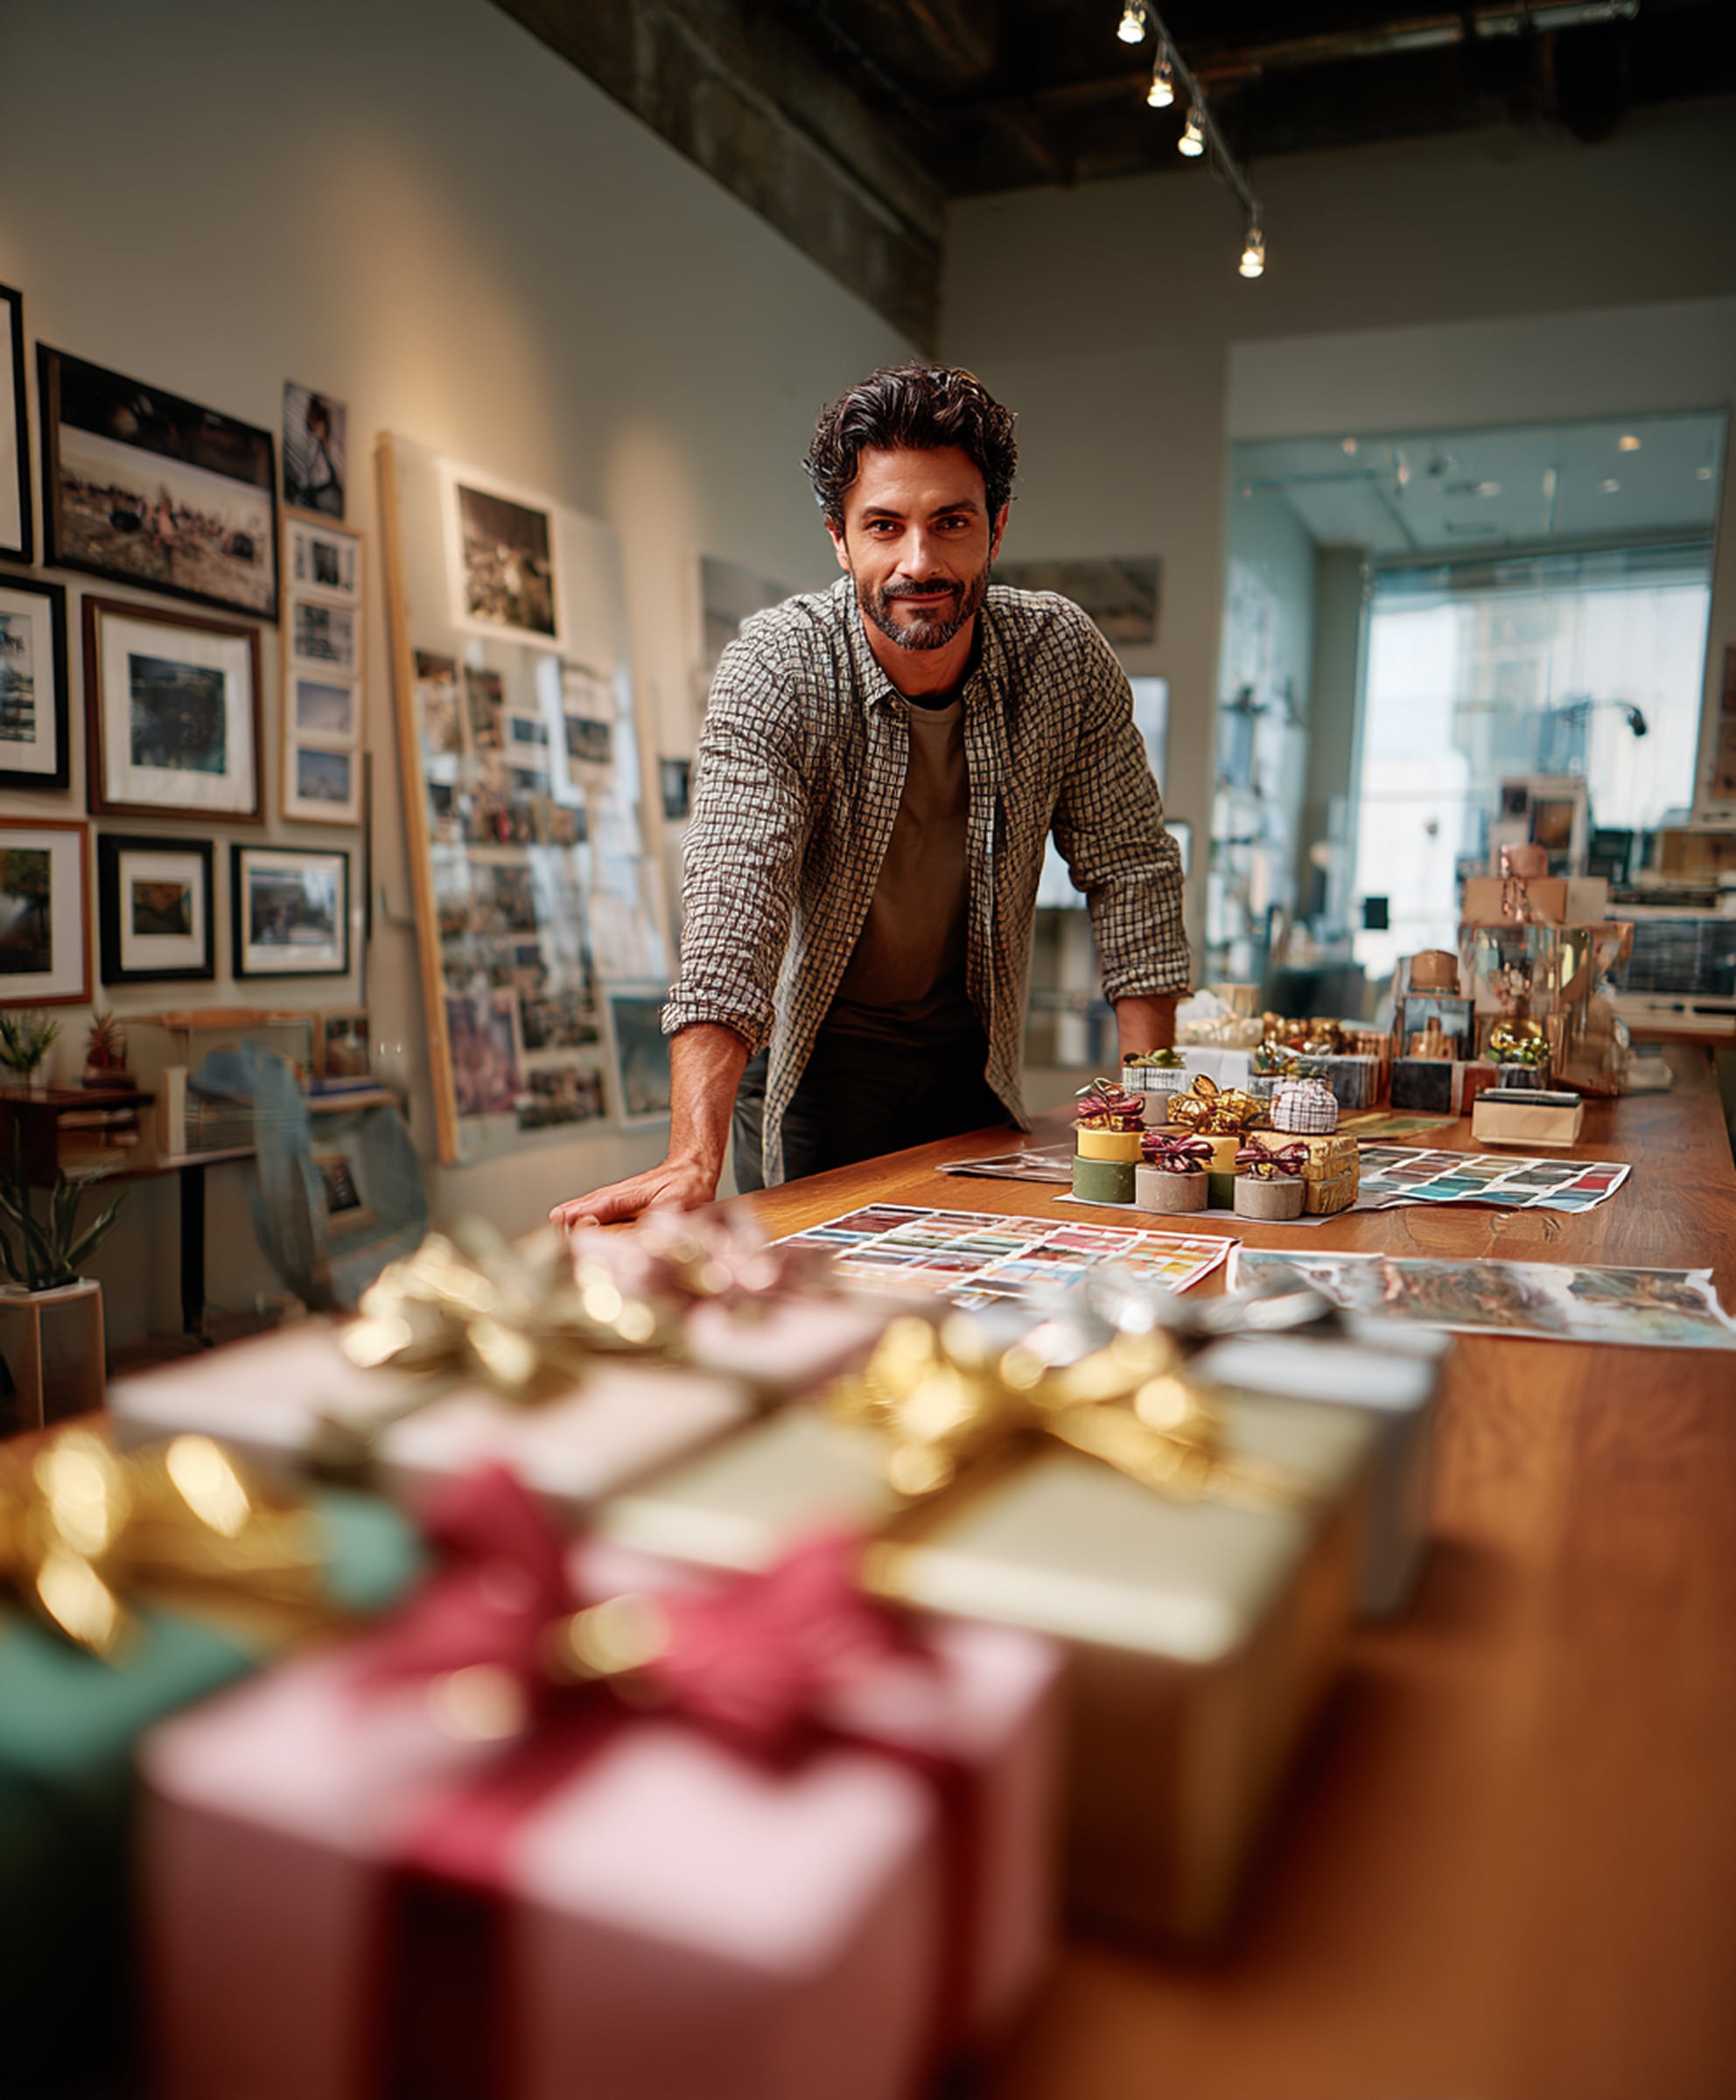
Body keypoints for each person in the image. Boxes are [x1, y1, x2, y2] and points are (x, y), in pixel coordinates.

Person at [551, 362, 1188, 1230]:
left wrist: (1146, 1112)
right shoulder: (777, 665)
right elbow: (733, 903)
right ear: (839, 539)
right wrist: (690, 1156)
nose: (918, 562)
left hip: (973, 1060)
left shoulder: (1061, 657)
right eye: (884, 526)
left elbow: (1132, 871)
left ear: (996, 528)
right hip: (813, 1065)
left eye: (950, 523)